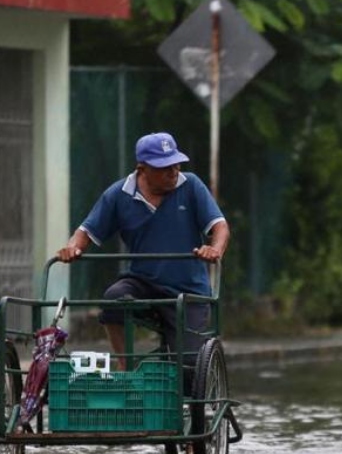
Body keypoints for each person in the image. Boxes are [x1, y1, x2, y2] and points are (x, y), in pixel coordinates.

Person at [56, 131, 229, 370]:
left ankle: (186, 382)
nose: (174, 171)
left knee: (189, 367)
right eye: (165, 166)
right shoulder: (119, 195)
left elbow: (220, 226)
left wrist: (215, 249)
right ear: (142, 168)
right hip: (143, 281)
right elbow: (85, 231)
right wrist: (72, 248)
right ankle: (126, 366)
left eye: (176, 163)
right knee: (114, 298)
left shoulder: (191, 187)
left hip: (188, 289)